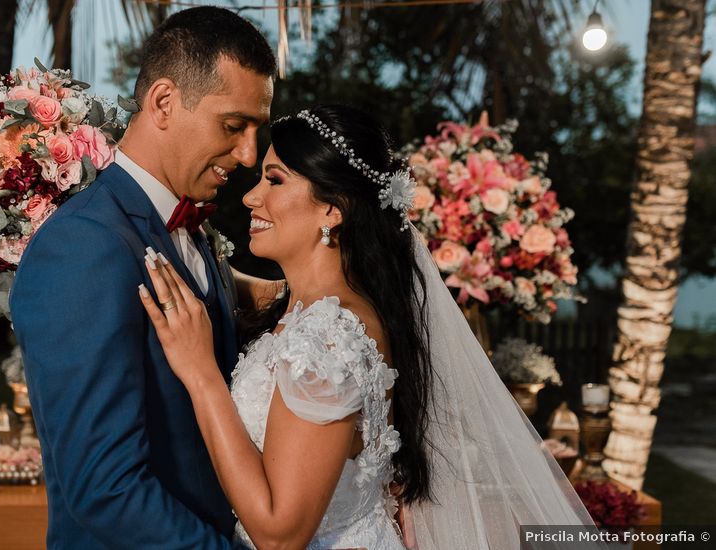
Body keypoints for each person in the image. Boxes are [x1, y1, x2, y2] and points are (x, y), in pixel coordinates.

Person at [139, 105, 602, 550]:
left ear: (332, 210)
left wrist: (202, 378)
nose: (250, 196)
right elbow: (251, 290)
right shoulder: (332, 308)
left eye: (274, 180)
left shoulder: (327, 338)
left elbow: (280, 535)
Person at [10, 7, 276, 548]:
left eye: (256, 130)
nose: (249, 154)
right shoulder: (82, 246)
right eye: (233, 126)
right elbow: (104, 489)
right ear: (162, 102)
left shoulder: (190, 229)